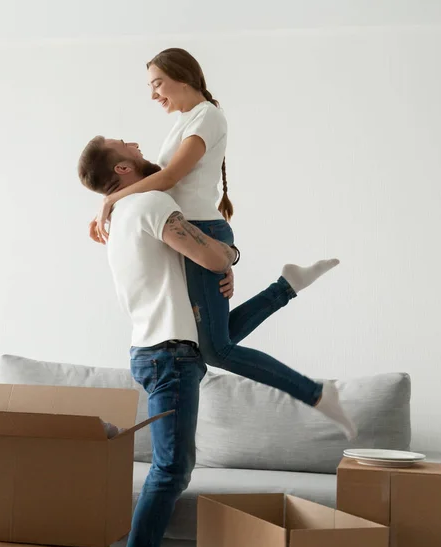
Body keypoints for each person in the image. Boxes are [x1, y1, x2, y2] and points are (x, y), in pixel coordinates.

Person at [87, 48, 356, 440]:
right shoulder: (184, 122)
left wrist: (111, 199)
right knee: (214, 343)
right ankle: (286, 288)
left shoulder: (207, 117)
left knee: (215, 350)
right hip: (194, 234)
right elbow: (160, 186)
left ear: (183, 77)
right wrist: (114, 200)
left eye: (157, 83)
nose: (153, 95)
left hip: (203, 231)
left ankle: (315, 392)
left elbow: (170, 178)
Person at [78, 136, 240, 547]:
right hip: (168, 352)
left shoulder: (125, 211)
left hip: (158, 350)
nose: (133, 140)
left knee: (172, 467)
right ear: (125, 169)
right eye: (122, 143)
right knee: (170, 469)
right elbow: (210, 255)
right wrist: (231, 255)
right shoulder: (150, 202)